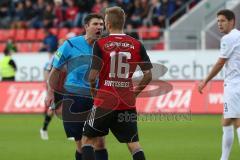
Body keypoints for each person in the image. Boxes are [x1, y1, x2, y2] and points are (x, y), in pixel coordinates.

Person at [81, 7, 152, 160]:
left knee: (87, 140)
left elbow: (92, 77)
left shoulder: (100, 44)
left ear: (107, 23)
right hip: (127, 102)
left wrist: (94, 91)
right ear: (123, 22)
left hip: (104, 101)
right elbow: (148, 75)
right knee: (134, 144)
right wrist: (134, 93)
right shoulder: (137, 44)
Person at [45, 13, 108, 160]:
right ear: (86, 26)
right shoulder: (70, 45)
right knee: (80, 144)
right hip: (74, 97)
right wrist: (50, 93)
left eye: (101, 24)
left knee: (100, 143)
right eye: (95, 24)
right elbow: (55, 70)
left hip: (97, 97)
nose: (99, 27)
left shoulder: (106, 47)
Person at [198, 9, 240, 160]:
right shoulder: (238, 36)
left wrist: (205, 81)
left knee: (237, 122)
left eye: (222, 21)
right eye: (217, 21)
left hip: (234, 86)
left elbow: (220, 62)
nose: (219, 24)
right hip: (235, 85)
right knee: (226, 121)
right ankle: (224, 158)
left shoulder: (228, 38)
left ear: (231, 21)